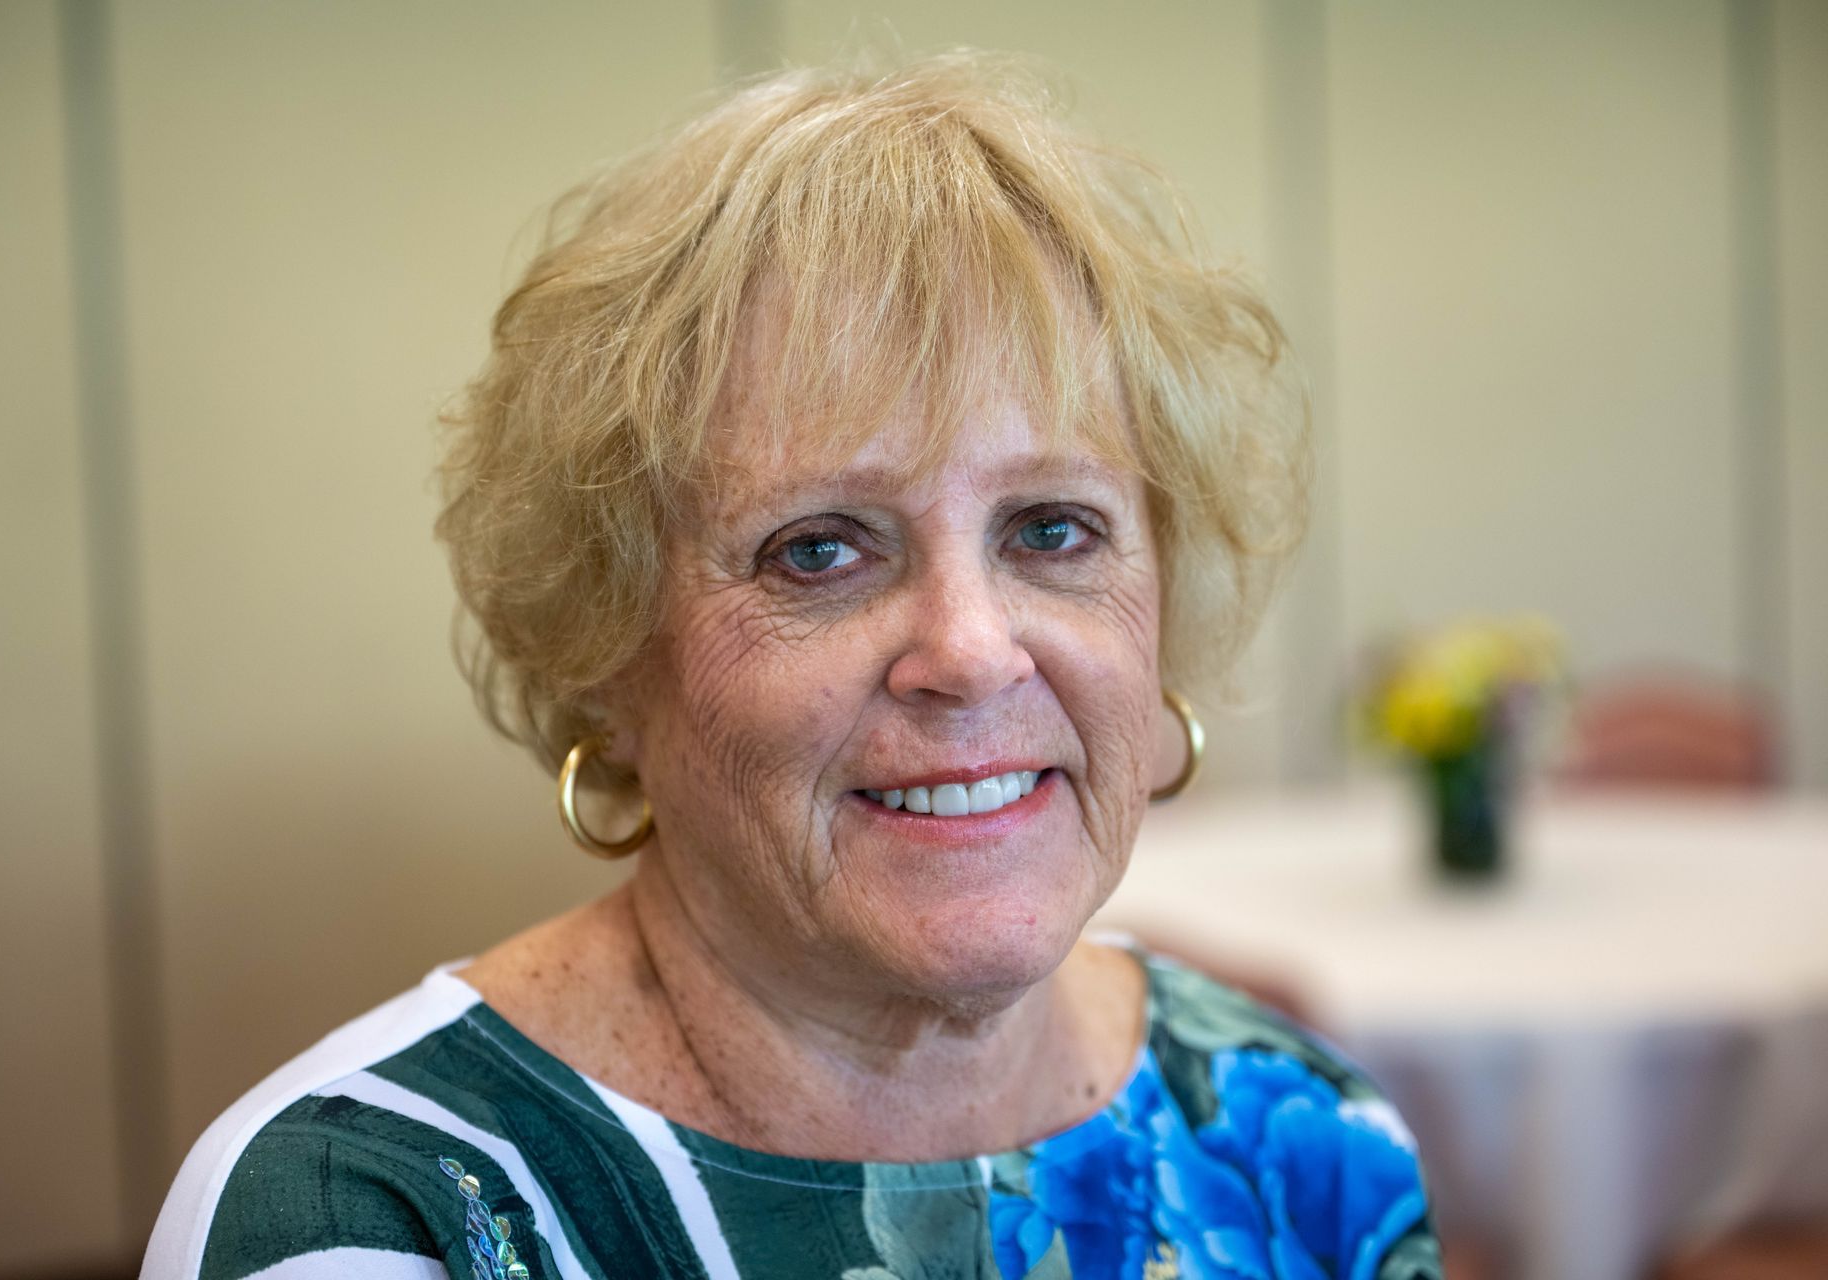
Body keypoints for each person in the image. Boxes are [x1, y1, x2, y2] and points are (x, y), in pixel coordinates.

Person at [144, 52, 1442, 1280]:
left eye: (1053, 529)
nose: (974, 651)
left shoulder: (1309, 1138)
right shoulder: (372, 1214)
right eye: (820, 550)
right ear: (609, 650)